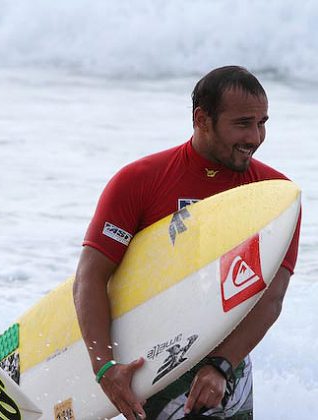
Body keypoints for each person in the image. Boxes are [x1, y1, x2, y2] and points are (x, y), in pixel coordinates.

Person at [73, 66, 301, 419]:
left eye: (262, 123)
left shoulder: (273, 197)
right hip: (153, 369)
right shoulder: (140, 182)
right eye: (242, 123)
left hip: (230, 369)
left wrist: (222, 367)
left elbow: (272, 296)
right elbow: (91, 277)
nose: (255, 137)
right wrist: (104, 368)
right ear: (202, 119)